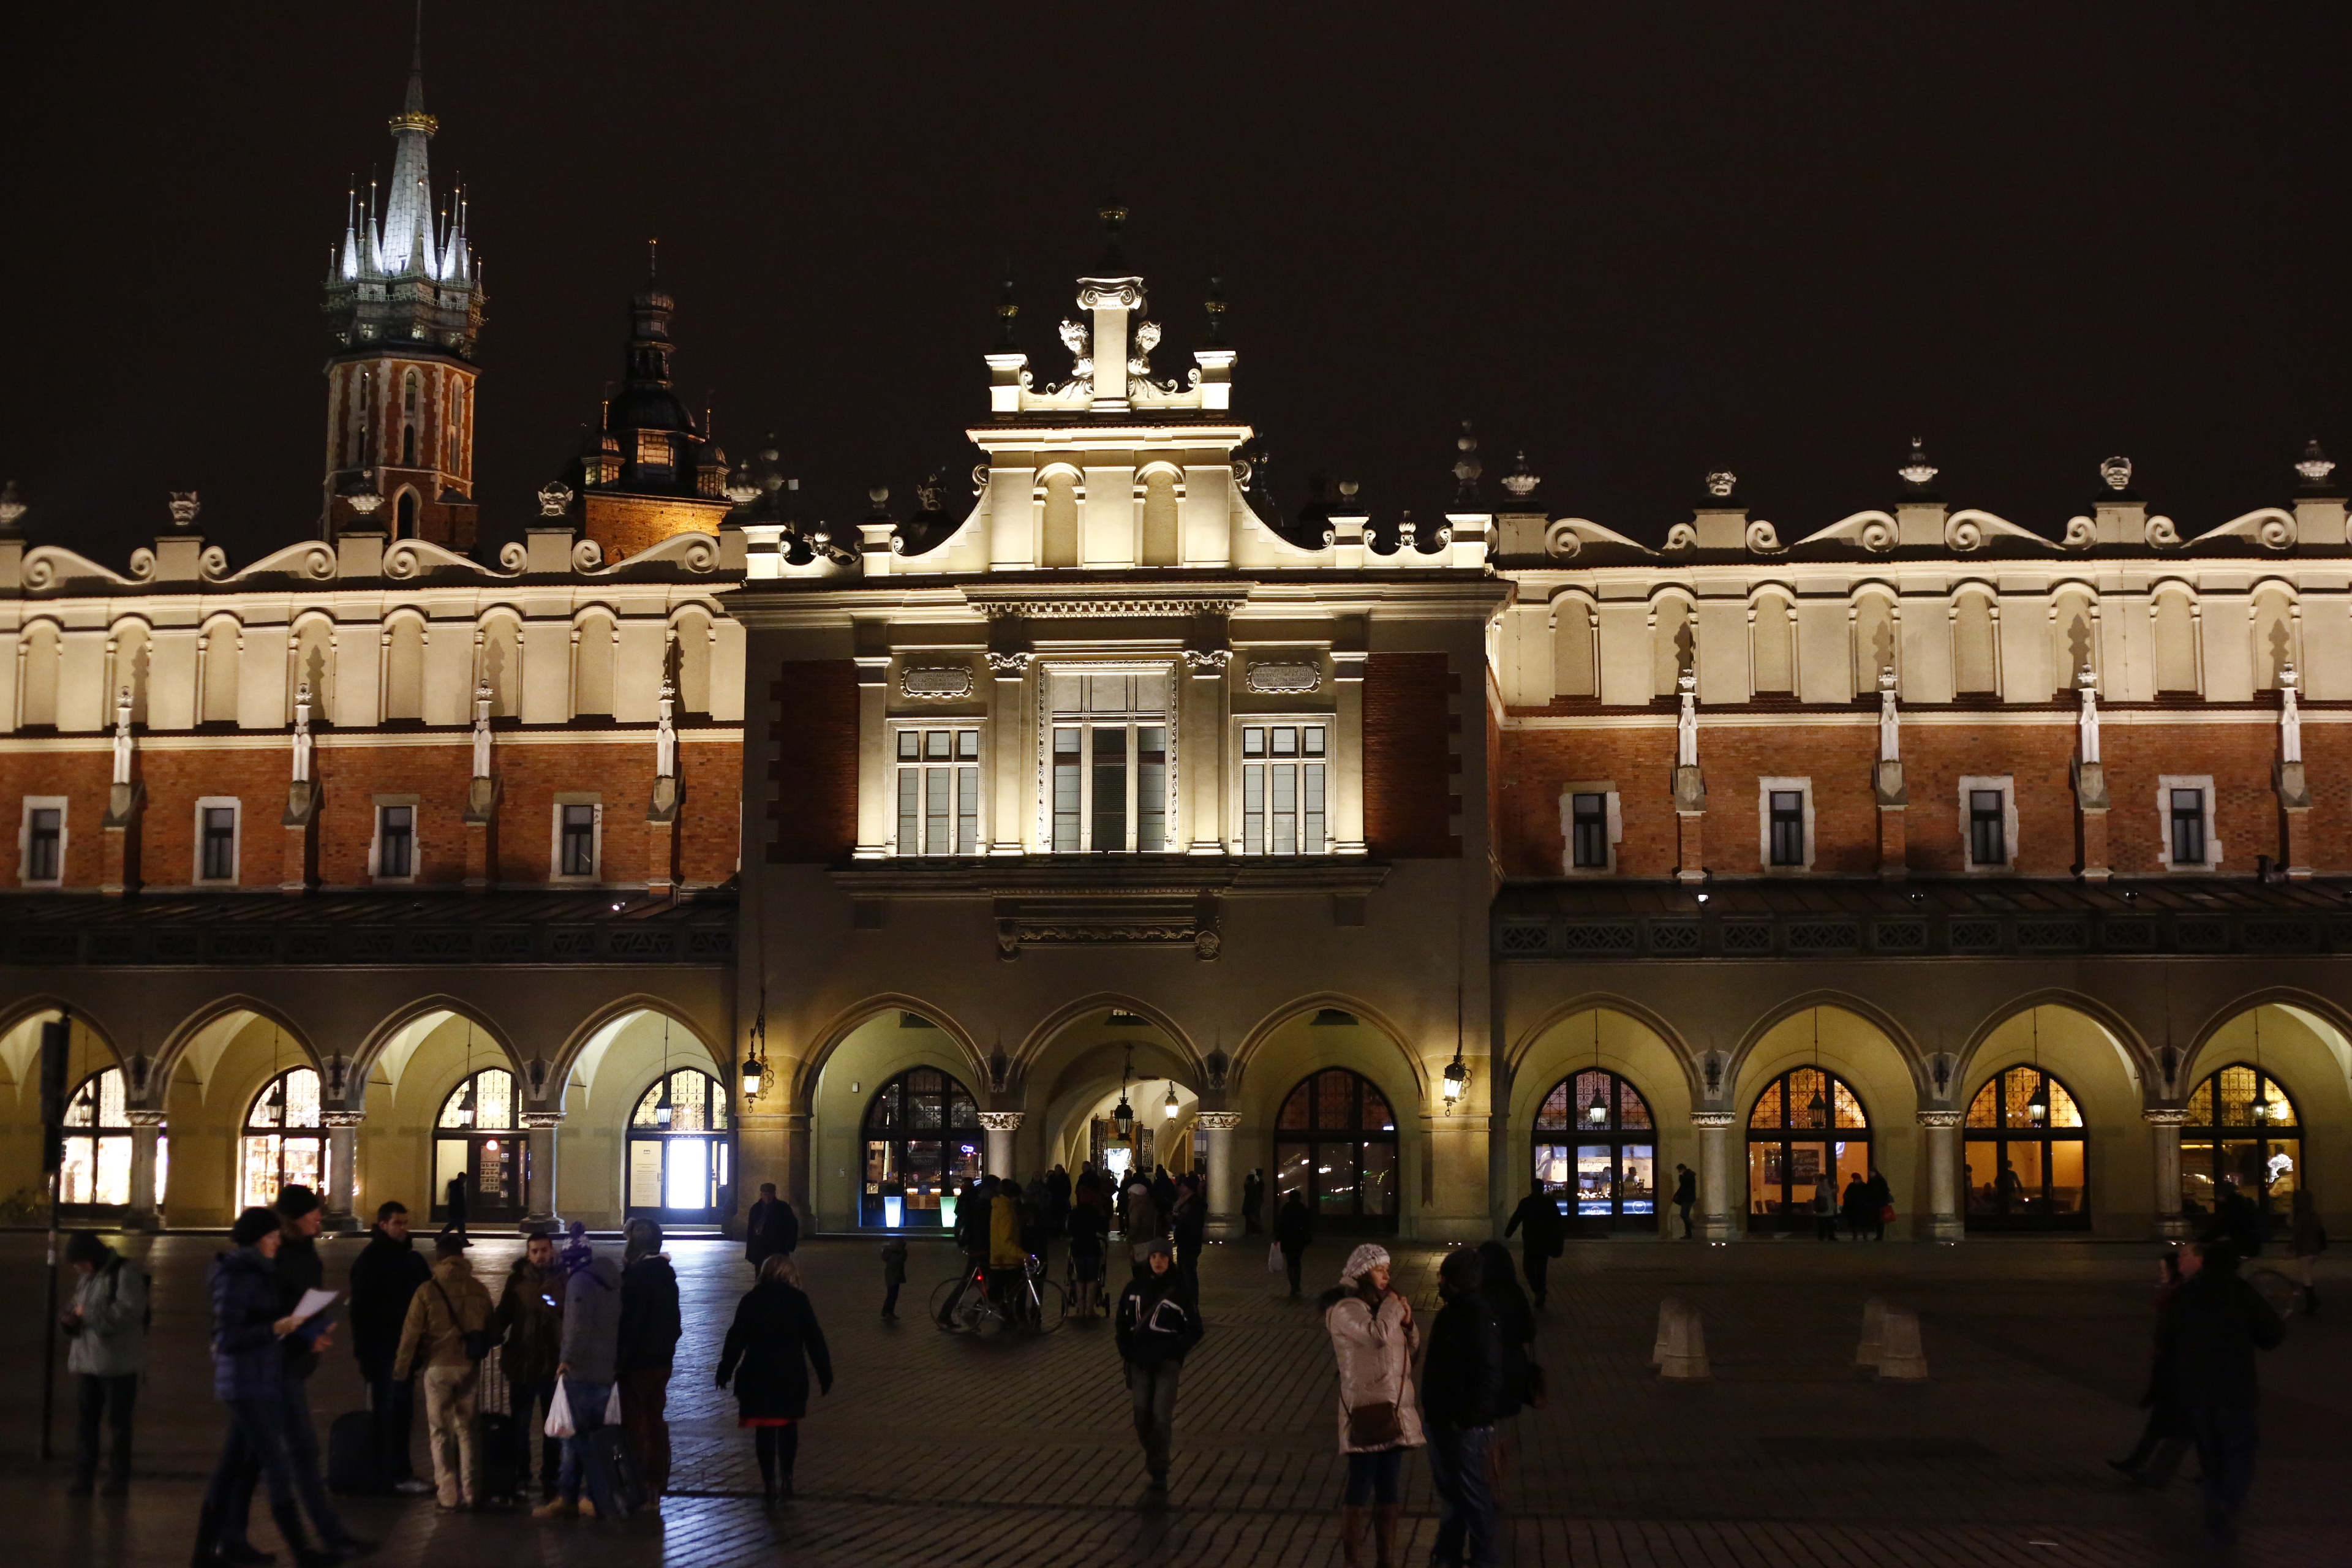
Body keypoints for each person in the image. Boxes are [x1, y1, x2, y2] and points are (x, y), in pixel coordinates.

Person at [217, 1185, 361, 1560]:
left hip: (277, 1366)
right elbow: (264, 1318)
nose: (319, 1217)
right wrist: (306, 1333)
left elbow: (289, 1309)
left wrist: (316, 1327)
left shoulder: (300, 1251)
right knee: (297, 1454)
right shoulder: (263, 1264)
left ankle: (230, 1540)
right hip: (272, 1370)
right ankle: (320, 1542)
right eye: (313, 1211)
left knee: (244, 1460)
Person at [194, 1208, 341, 1568]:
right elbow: (228, 1337)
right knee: (276, 1464)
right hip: (244, 1382)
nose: (278, 1243)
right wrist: (277, 1329)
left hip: (260, 1377)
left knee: (231, 1468)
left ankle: (207, 1554)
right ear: (260, 1239)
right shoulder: (236, 1275)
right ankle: (303, 1553)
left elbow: (270, 1318)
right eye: (274, 1237)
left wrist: (306, 1331)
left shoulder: (262, 1272)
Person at [2158, 1238, 2285, 1544]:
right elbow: (2272, 1333)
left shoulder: (2188, 1294)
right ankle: (2225, 1502)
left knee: (2210, 1453)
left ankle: (2215, 1501)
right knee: (2239, 1451)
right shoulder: (2241, 1293)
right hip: (2235, 1388)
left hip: (2197, 1390)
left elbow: (2163, 1335)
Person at [1322, 1243, 1423, 1568]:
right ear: (1364, 1272)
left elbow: (1409, 1351)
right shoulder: (1345, 1309)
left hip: (1393, 1410)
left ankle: (1386, 1559)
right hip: (1367, 1411)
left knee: (1389, 1487)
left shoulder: (1381, 1307)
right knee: (1360, 1485)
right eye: (1380, 1270)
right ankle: (1353, 1560)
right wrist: (1393, 1308)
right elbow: (1376, 1336)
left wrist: (1408, 1325)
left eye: (1388, 1270)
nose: (1386, 1276)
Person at [717, 1253, 833, 1507]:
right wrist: (824, 1372)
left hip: (758, 1373)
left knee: (765, 1430)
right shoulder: (798, 1300)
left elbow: (736, 1337)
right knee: (789, 1426)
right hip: (790, 1373)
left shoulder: (751, 1300)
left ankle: (769, 1482)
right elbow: (814, 1338)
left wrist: (725, 1368)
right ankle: (787, 1477)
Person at [391, 1231, 492, 1513]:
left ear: (438, 1258)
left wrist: (401, 1372)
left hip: (437, 1366)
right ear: (462, 1256)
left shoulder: (426, 1291)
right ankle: (471, 1492)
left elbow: (410, 1336)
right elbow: (492, 1328)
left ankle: (448, 1495)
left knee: (440, 1431)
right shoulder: (478, 1288)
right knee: (468, 1430)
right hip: (468, 1366)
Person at [1422, 1249, 1504, 1568]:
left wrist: (1468, 1419)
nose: (1439, 1282)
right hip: (1444, 1420)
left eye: (1442, 1277)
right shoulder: (1455, 1312)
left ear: (1453, 1281)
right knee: (1454, 1494)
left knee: (1472, 1495)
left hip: (1462, 1426)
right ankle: (1447, 1554)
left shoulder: (1474, 1317)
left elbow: (1488, 1374)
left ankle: (1484, 1559)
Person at [349, 1199, 434, 1496]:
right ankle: (393, 1473)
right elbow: (360, 1312)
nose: (403, 1229)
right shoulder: (371, 1261)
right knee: (390, 1415)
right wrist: (365, 1355)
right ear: (383, 1224)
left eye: (406, 1223)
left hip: (404, 1351)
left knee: (402, 1413)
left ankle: (393, 1472)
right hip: (383, 1352)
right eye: (398, 1223)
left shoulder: (408, 1258)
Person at [536, 1238, 623, 1520]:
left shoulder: (579, 1282)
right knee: (597, 1438)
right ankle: (591, 1496)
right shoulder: (610, 1282)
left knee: (574, 1438)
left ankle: (572, 1497)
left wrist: (567, 1360)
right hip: (605, 1370)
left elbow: (577, 1326)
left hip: (582, 1372)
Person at [61, 1230, 146, 1497]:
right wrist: (69, 1319)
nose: (78, 1268)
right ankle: (84, 1478)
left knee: (118, 1425)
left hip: (117, 1365)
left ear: (93, 1256)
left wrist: (88, 1315)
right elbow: (75, 1305)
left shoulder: (124, 1274)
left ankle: (118, 1481)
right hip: (87, 1363)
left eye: (80, 1262)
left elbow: (128, 1312)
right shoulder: (88, 1278)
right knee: (87, 1423)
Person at [1115, 1236, 1202, 1491]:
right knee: (1142, 1416)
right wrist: (1127, 1351)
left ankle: (1159, 1466)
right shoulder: (1133, 1288)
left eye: (1163, 1257)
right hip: (1139, 1361)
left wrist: (1176, 1352)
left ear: (1169, 1260)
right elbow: (1122, 1323)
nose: (1158, 1262)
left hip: (1167, 1363)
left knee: (1161, 1415)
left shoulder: (1179, 1290)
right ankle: (1154, 1453)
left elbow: (1195, 1328)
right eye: (1154, 1257)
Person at [490, 1227, 567, 1504]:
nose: (540, 1256)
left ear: (552, 1250)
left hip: (552, 1363)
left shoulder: (564, 1278)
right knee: (520, 1425)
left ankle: (551, 1475)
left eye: (544, 1250)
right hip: (522, 1363)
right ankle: (521, 1474)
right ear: (528, 1254)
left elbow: (570, 1316)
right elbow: (504, 1314)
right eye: (535, 1251)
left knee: (553, 1426)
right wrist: (491, 1334)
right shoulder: (517, 1281)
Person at [2109, 1246, 2193, 1491]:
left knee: (2183, 1424)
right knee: (2165, 1417)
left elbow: (2173, 1330)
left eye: (2164, 1269)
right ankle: (2139, 1462)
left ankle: (2155, 1472)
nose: (2160, 1274)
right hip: (2170, 1364)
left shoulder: (2182, 1295)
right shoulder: (2173, 1293)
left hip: (2180, 1366)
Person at [616, 1219, 682, 1509]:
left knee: (636, 1424)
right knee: (655, 1420)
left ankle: (639, 1482)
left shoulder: (636, 1279)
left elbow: (631, 1326)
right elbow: (675, 1324)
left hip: (639, 1363)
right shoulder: (666, 1277)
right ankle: (656, 1483)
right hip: (661, 1360)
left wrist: (620, 1362)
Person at [1474, 1240, 1534, 1485]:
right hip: (1512, 1369)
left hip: (1483, 1370)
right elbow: (1529, 1332)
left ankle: (1488, 1476)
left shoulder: (1476, 1295)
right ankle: (1499, 1476)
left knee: (1484, 1427)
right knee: (1504, 1428)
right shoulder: (1515, 1293)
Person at [1503, 1178, 1562, 1309]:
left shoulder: (1527, 1202)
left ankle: (1538, 1291)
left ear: (1532, 1188)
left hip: (1530, 1241)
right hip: (1545, 1241)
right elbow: (1558, 1221)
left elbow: (1516, 1218)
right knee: (1541, 1269)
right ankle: (1540, 1292)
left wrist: (1509, 1232)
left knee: (1528, 1268)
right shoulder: (1549, 1202)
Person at [1068, 1177, 1108, 1317]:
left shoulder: (1074, 1213)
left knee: (1080, 1278)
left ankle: (1080, 1309)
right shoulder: (1095, 1213)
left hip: (1078, 1247)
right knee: (1092, 1278)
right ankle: (1090, 1309)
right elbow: (1103, 1229)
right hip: (1092, 1246)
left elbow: (1070, 1231)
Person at [2286, 1188, 2326, 1313]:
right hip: (2315, 1249)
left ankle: (2311, 1302)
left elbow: (2298, 1233)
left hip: (2305, 1250)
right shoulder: (2314, 1214)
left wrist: (2292, 1246)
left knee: (2306, 1276)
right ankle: (2309, 1297)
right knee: (2304, 1273)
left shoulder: (2301, 1216)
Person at [745, 1183, 799, 1271]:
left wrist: (789, 1245)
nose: (767, 1197)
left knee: (777, 1272)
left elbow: (792, 1226)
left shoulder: (783, 1208)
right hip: (760, 1247)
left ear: (774, 1194)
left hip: (778, 1247)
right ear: (761, 1195)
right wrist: (750, 1251)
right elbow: (751, 1231)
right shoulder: (755, 1209)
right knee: (761, 1273)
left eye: (770, 1194)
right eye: (765, 1194)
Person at [2209, 1175, 2264, 1261]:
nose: (2217, 1199)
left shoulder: (2235, 1208)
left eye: (2219, 1196)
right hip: (2249, 1245)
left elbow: (2231, 1226)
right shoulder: (2243, 1205)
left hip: (2244, 1247)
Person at [1275, 1189, 1313, 1299]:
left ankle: (1293, 1286)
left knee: (1290, 1263)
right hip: (1299, 1239)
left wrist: (1278, 1238)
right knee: (1297, 1261)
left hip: (1287, 1239)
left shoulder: (1286, 1209)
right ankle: (1297, 1284)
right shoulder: (1302, 1208)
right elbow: (1308, 1224)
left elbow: (1280, 1225)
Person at [1170, 1173, 1207, 1289]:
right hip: (1184, 1242)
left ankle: (1191, 1297)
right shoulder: (1184, 1201)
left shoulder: (1194, 1203)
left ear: (1189, 1188)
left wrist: (1179, 1223)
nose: (1180, 1188)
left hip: (1190, 1243)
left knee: (1188, 1274)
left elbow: (1193, 1224)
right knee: (1183, 1273)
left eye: (1183, 1186)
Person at [1126, 1175, 1164, 1283]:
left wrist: (1129, 1239)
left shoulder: (1137, 1208)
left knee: (1139, 1275)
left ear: (1136, 1195)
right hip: (1152, 1242)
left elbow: (1135, 1226)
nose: (1129, 1198)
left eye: (1131, 1195)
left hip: (1140, 1244)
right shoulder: (1151, 1206)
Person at [880, 1234, 908, 1321]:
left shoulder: (890, 1252)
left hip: (892, 1276)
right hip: (894, 1277)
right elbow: (900, 1259)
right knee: (892, 1295)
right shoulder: (899, 1253)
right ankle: (888, 1312)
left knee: (892, 1295)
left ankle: (887, 1312)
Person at [1841, 1172, 1871, 1242]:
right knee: (1858, 1223)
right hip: (1857, 1208)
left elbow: (1846, 1195)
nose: (1855, 1180)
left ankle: (1861, 1237)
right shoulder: (1860, 1186)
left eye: (1855, 1179)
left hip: (1858, 1207)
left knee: (1859, 1223)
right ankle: (1860, 1237)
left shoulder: (1856, 1186)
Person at [1864, 1167, 1892, 1241]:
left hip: (1877, 1203)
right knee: (1879, 1220)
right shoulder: (1880, 1180)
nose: (1869, 1174)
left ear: (1874, 1172)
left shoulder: (1874, 1181)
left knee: (1879, 1219)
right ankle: (1880, 1235)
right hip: (1879, 1203)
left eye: (1870, 1173)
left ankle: (1879, 1235)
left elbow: (1871, 1191)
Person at [1672, 1164, 1697, 1239]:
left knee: (1683, 1215)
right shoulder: (1686, 1176)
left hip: (1688, 1198)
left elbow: (1684, 1186)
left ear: (1682, 1169)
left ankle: (1693, 1225)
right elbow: (1682, 1186)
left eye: (1679, 1170)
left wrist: (1682, 1177)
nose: (1679, 1172)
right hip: (1686, 1198)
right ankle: (1688, 1234)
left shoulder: (1690, 1176)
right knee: (1686, 1215)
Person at [1812, 1173, 1839, 1241]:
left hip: (1826, 1208)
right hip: (1824, 1208)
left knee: (1826, 1224)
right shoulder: (1820, 1187)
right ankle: (1828, 1236)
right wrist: (1832, 1191)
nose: (1827, 1181)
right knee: (1826, 1224)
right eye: (1826, 1180)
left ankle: (1827, 1236)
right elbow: (1822, 1195)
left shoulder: (1824, 1186)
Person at [443, 1172, 469, 1237]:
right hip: (457, 1210)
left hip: (455, 1210)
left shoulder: (456, 1186)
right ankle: (464, 1240)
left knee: (456, 1226)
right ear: (461, 1178)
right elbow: (459, 1200)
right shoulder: (458, 1187)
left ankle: (464, 1240)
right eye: (464, 1179)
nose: (465, 1181)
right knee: (457, 1226)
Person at [1244, 1167, 1265, 1235]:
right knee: (1255, 1217)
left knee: (1250, 1217)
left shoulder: (1250, 1181)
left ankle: (1250, 1232)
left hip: (1250, 1202)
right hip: (1256, 1202)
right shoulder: (1260, 1182)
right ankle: (1258, 1230)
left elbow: (1247, 1190)